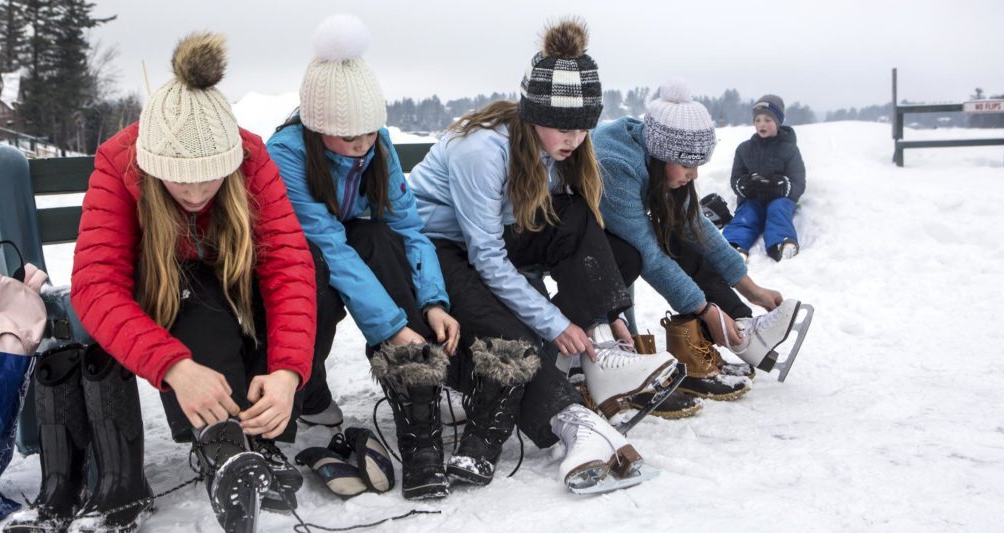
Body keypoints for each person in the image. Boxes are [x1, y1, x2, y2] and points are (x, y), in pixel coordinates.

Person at [409, 18, 675, 494]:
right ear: (533, 113)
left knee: (598, 232)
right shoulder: (482, 152)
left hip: (492, 238)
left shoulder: (557, 150)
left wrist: (614, 314)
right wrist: (553, 322)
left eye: (582, 128)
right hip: (438, 249)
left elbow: (570, 232)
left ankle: (592, 361)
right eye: (561, 126)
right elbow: (486, 257)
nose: (572, 138)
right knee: (521, 335)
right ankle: (571, 421)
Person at [66, 33, 316, 532]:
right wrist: (175, 367)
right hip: (168, 298)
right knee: (190, 290)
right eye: (181, 180)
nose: (198, 193)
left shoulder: (250, 156)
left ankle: (254, 434)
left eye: (211, 178)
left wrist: (287, 370)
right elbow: (95, 285)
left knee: (314, 279)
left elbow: (288, 264)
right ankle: (225, 448)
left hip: (236, 291)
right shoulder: (120, 163)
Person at [266, 14, 462, 501]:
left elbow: (407, 227)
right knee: (322, 288)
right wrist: (393, 326)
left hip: (350, 245)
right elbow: (328, 243)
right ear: (316, 127)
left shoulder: (379, 145)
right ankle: (309, 392)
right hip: (297, 257)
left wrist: (433, 301)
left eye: (368, 135)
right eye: (346, 137)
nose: (359, 148)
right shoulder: (286, 154)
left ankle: (416, 391)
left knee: (380, 239)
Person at [592, 80, 807, 400]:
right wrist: (706, 310)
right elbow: (647, 256)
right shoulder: (615, 163)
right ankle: (617, 357)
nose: (693, 175)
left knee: (678, 233)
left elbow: (697, 226)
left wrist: (751, 290)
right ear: (664, 155)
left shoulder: (656, 149)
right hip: (563, 237)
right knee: (632, 254)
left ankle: (743, 329)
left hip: (611, 237)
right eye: (688, 165)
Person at [723, 94, 807, 261]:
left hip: (779, 198)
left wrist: (782, 186)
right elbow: (736, 179)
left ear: (778, 122)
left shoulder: (789, 149)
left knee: (777, 211)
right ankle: (733, 246)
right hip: (753, 198)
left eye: (768, 119)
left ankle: (781, 243)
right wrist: (747, 185)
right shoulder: (744, 149)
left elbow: (799, 182)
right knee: (746, 215)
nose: (762, 124)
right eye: (758, 120)